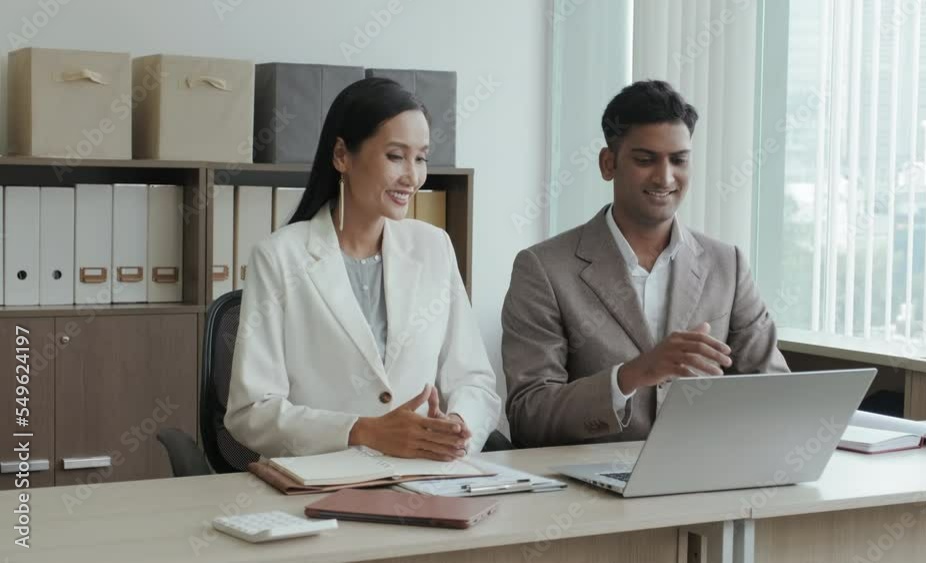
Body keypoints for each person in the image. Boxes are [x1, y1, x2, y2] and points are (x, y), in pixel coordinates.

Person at [226, 77, 502, 461]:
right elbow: (251, 411)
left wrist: (455, 426)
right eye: (395, 156)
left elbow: (475, 381)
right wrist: (363, 432)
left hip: (422, 479)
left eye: (420, 157)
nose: (412, 176)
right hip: (322, 483)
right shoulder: (279, 257)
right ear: (342, 155)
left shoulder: (434, 247)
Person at [502, 80, 788, 448]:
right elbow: (529, 417)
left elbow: (776, 391)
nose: (665, 177)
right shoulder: (543, 269)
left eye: (679, 160)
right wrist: (634, 375)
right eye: (645, 159)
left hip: (707, 478)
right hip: (590, 487)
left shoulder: (726, 264)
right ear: (609, 164)